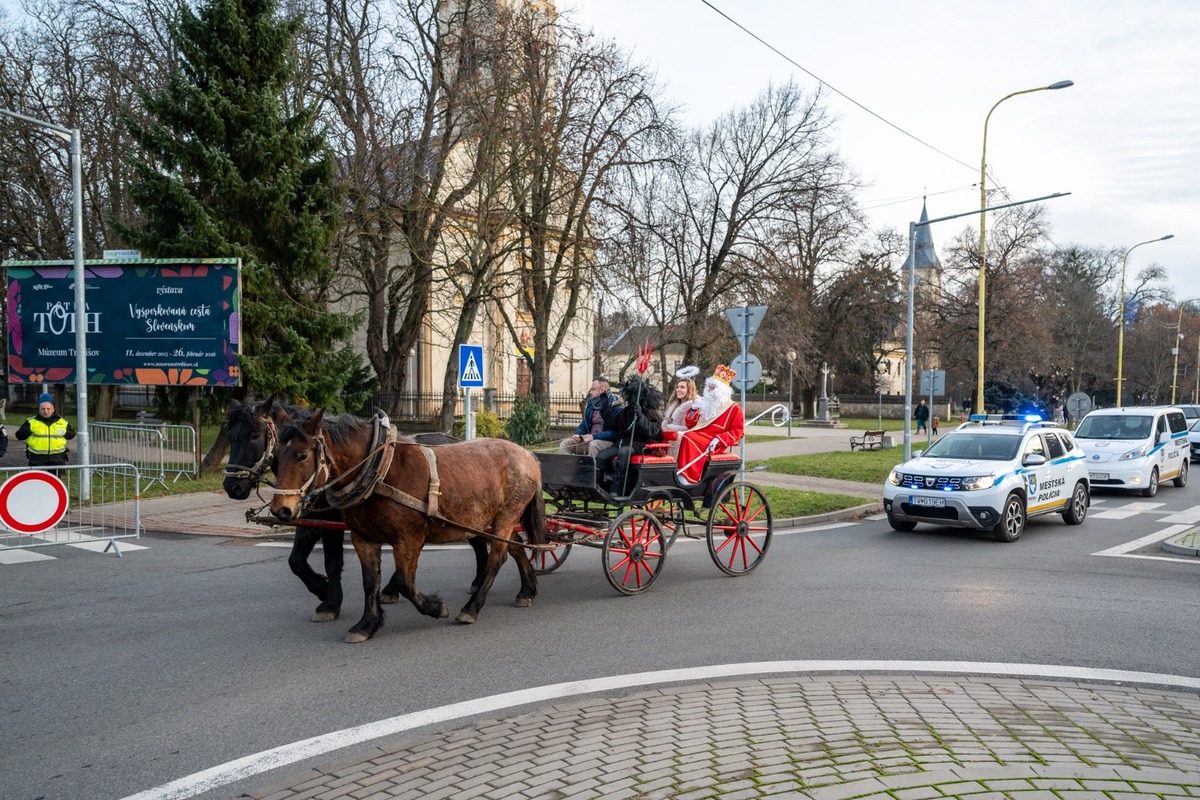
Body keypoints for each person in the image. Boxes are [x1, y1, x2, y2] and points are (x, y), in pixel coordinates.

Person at [595, 375, 664, 496]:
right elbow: (613, 423)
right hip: (624, 443)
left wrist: (640, 416)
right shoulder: (627, 411)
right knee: (602, 455)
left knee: (624, 452)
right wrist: (605, 406)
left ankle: (618, 489)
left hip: (640, 444)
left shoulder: (650, 412)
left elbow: (652, 431)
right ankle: (598, 486)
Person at [676, 365, 745, 485]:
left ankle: (688, 476)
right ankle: (673, 470)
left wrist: (720, 439)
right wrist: (692, 410)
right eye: (709, 386)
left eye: (714, 387)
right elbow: (690, 425)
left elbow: (738, 431)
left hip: (714, 441)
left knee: (688, 438)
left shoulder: (733, 408)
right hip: (699, 435)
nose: (710, 388)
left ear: (723, 389)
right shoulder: (704, 404)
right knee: (675, 435)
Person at [559, 378, 621, 456]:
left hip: (607, 442)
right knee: (565, 444)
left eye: (593, 389)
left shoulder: (616, 407)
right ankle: (568, 467)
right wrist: (578, 434)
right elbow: (584, 425)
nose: (591, 392)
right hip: (589, 439)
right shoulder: (592, 405)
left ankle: (591, 468)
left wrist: (593, 437)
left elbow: (614, 433)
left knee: (594, 445)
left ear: (602, 390)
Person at [16, 392, 76, 467]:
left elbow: (71, 435)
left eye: (48, 409)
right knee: (38, 479)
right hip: (37, 458)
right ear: (39, 410)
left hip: (57, 457)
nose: (46, 411)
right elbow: (19, 436)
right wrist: (26, 432)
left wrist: (66, 433)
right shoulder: (31, 422)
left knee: (54, 479)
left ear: (53, 409)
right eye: (43, 409)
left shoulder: (62, 422)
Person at [662, 366, 699, 456]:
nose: (678, 389)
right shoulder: (673, 405)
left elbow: (688, 428)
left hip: (682, 440)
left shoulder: (693, 407)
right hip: (668, 436)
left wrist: (670, 427)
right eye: (677, 387)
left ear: (689, 390)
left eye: (682, 387)